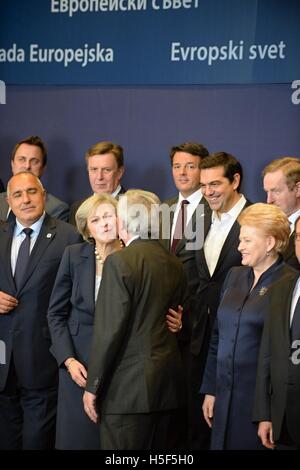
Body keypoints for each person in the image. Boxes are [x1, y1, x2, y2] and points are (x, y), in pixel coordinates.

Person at [83, 189, 187, 450]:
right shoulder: (174, 262)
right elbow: (177, 320)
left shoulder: (119, 262)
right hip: (168, 388)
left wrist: (93, 385)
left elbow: (109, 330)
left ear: (123, 221)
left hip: (127, 392)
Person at [201, 203, 294, 449]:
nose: (239, 246)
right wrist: (211, 388)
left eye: (247, 241)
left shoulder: (289, 283)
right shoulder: (234, 276)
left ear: (270, 243)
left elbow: (283, 357)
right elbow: (217, 336)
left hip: (258, 404)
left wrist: (270, 412)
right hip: (223, 395)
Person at [0, 172, 81, 450]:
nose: (26, 200)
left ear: (44, 195)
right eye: (18, 194)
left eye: (32, 192)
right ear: (9, 201)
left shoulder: (69, 236)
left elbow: (79, 299)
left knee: (37, 443)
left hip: (43, 360)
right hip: (2, 362)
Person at [188, 152, 250, 449]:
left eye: (215, 184)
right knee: (197, 421)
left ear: (235, 180)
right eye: (203, 185)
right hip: (199, 337)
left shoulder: (255, 218)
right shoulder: (199, 219)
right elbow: (193, 275)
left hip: (238, 337)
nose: (208, 191)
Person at [161, 142, 211, 447]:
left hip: (195, 329)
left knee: (193, 417)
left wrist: (187, 319)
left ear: (202, 170)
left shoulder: (214, 209)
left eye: (190, 166)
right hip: (162, 328)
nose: (182, 172)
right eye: (177, 166)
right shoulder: (162, 208)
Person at [253, 216, 300, 450]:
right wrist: (265, 414)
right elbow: (267, 353)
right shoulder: (282, 287)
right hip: (282, 421)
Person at [0, 136, 69, 222]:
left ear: (43, 168)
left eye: (34, 161)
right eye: (22, 159)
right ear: (12, 164)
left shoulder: (57, 209)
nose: (27, 166)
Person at [69, 141, 126, 225]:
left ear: (120, 172)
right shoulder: (77, 208)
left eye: (107, 170)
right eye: (94, 169)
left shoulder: (134, 207)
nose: (99, 177)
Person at [263, 157, 300, 269]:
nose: (269, 200)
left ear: (298, 189)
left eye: (276, 191)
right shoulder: (266, 226)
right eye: (267, 192)